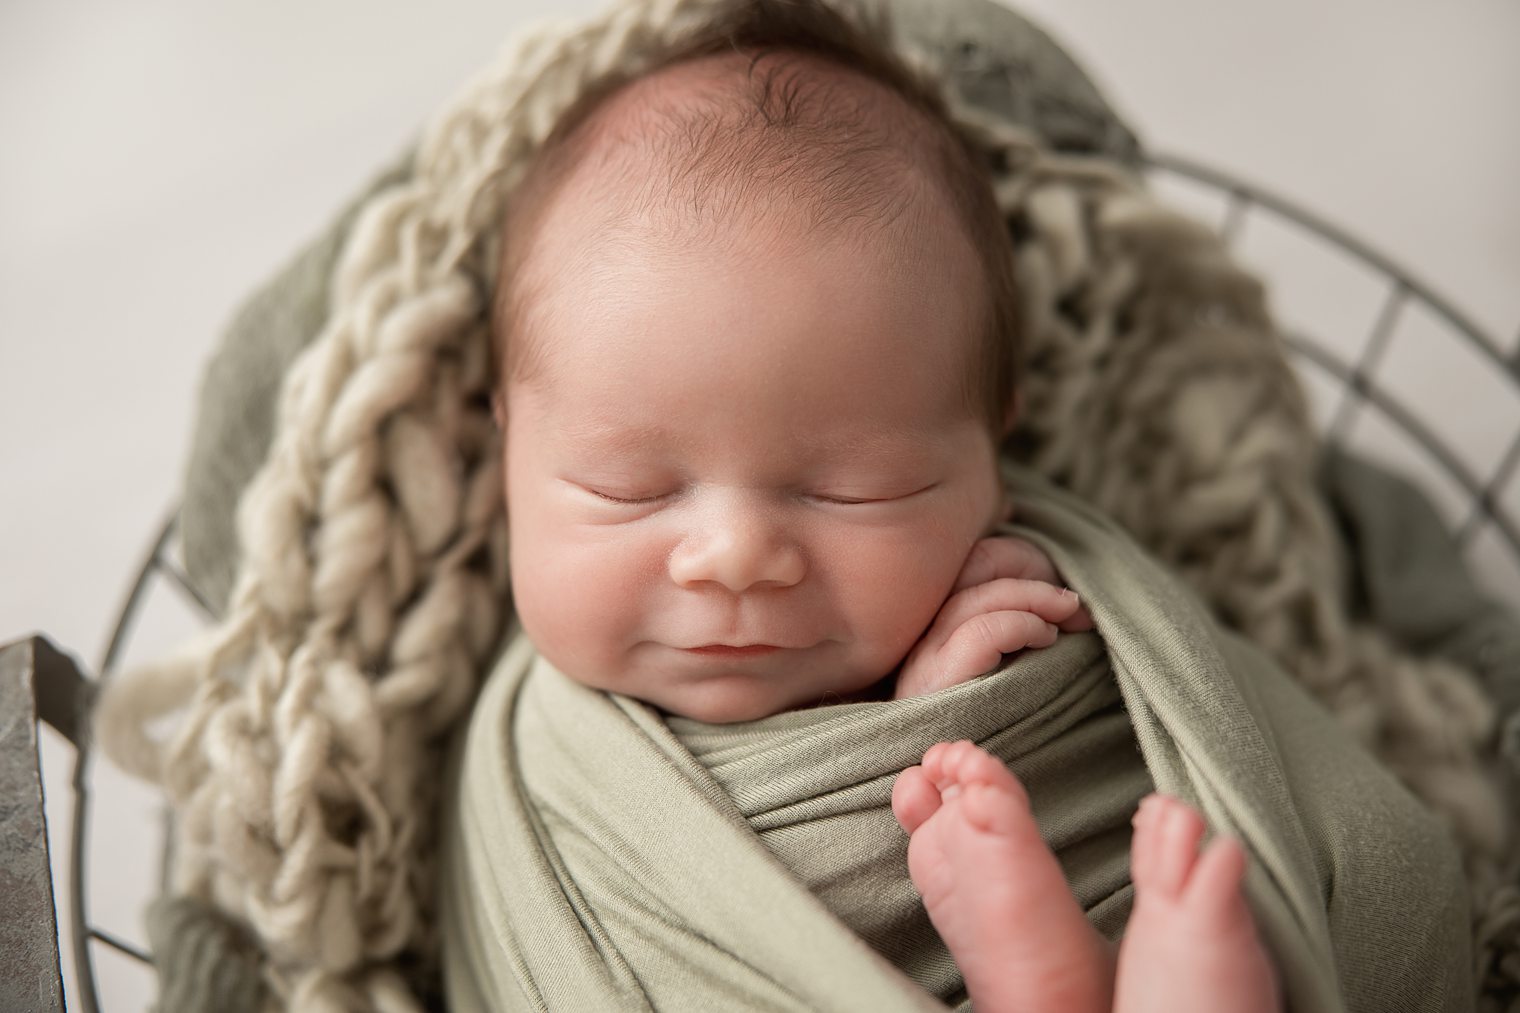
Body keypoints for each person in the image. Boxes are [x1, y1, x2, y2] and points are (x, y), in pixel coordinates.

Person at [484, 6, 1279, 1010]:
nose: (732, 555)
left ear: (993, 448)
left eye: (851, 488)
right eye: (627, 486)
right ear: (506, 438)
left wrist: (948, 723)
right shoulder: (527, 772)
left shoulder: (1030, 616)